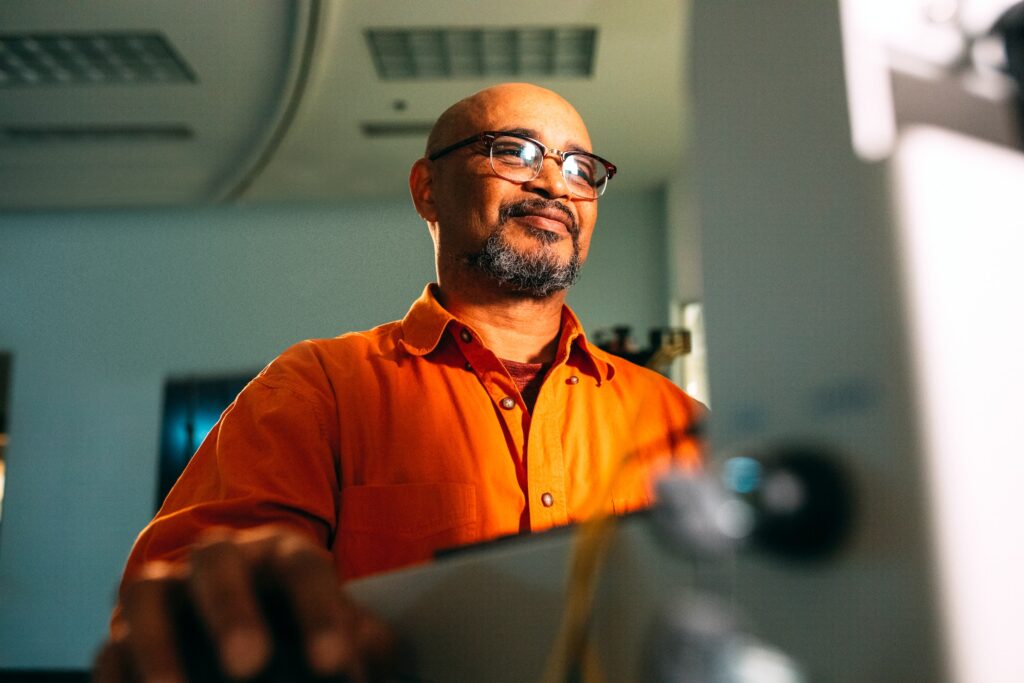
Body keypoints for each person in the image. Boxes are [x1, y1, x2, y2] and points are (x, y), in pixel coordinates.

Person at [95, 82, 704, 682]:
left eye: (580, 167)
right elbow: (186, 622)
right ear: (426, 189)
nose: (551, 183)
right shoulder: (317, 390)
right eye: (514, 151)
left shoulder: (676, 420)